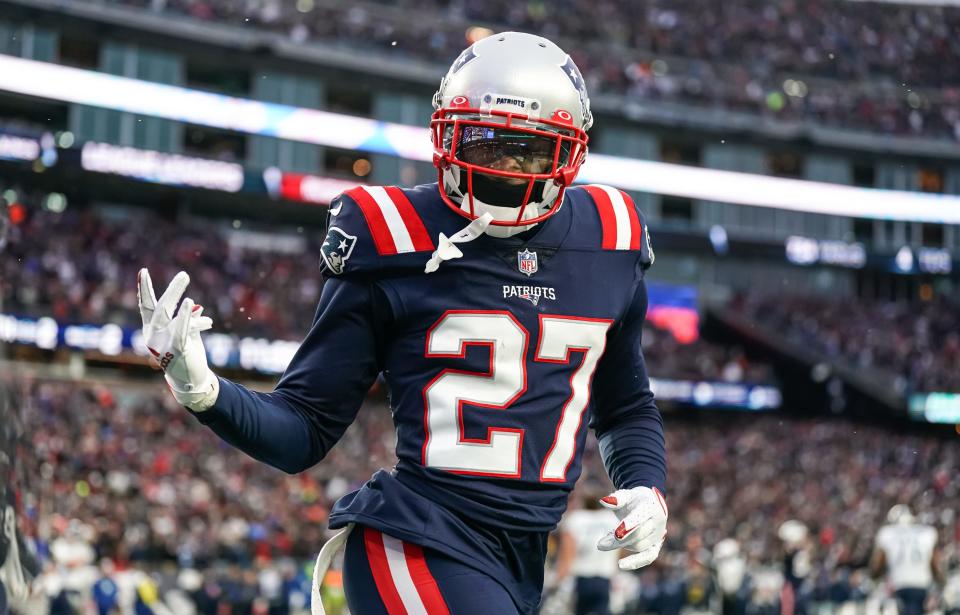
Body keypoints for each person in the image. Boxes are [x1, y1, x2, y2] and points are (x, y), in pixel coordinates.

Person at [136, 31, 667, 614]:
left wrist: (644, 484)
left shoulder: (610, 236)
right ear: (445, 133)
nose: (503, 170)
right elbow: (305, 429)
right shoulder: (390, 233)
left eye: (527, 152)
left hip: (519, 559)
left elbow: (624, 406)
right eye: (484, 145)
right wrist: (204, 392)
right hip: (415, 543)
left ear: (569, 154)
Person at [554, 492, 621, 615]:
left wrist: (558, 580)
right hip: (605, 577)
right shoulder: (612, 519)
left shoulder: (576, 518)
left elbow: (568, 552)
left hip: (582, 577)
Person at [871, 505, 942, 615]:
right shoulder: (927, 533)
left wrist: (874, 576)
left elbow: (878, 563)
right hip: (921, 584)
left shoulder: (887, 533)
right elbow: (935, 563)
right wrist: (941, 581)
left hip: (899, 584)